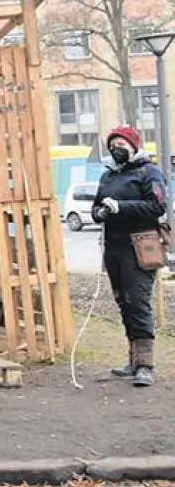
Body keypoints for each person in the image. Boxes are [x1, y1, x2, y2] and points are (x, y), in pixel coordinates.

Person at [91, 125, 166, 387]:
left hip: (141, 246)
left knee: (138, 302)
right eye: (113, 145)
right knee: (123, 302)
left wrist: (120, 207)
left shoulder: (149, 173)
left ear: (134, 147)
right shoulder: (108, 176)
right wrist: (99, 212)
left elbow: (157, 206)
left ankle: (146, 365)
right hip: (114, 247)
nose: (117, 149)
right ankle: (133, 360)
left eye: (122, 145)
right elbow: (96, 207)